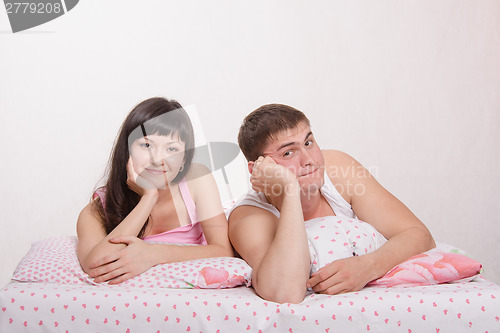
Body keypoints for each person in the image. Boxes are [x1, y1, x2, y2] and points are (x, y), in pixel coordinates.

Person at [228, 104, 435, 304]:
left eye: (308, 143)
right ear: (258, 168)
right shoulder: (248, 216)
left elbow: (420, 235)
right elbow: (286, 293)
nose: (309, 160)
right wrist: (289, 189)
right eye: (288, 153)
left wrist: (367, 267)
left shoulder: (338, 167)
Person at [76, 97, 233, 284]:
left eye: (172, 149)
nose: (158, 159)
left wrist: (154, 253)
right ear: (127, 150)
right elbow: (97, 267)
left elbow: (223, 251)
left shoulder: (197, 179)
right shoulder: (98, 208)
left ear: (184, 160)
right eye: (146, 145)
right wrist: (148, 198)